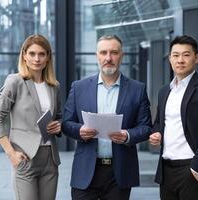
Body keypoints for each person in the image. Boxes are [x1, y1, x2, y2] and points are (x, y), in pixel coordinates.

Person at [62, 35, 152, 200]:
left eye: (114, 52)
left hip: (119, 172)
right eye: (103, 52)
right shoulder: (79, 87)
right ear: (97, 55)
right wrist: (80, 130)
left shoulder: (137, 89)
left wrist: (127, 136)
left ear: (122, 56)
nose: (108, 58)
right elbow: (66, 123)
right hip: (86, 170)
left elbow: (146, 127)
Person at [149, 35, 198, 200]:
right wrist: (157, 134)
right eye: (176, 55)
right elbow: (159, 123)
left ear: (196, 58)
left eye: (186, 55)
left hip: (191, 169)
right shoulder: (165, 91)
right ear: (170, 58)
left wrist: (196, 169)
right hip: (166, 169)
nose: (180, 60)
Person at [0, 34, 61, 200]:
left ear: (48, 57)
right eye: (32, 54)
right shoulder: (15, 81)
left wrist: (59, 125)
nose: (37, 59)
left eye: (42, 54)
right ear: (24, 56)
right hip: (25, 157)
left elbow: (59, 117)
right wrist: (11, 153)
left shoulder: (54, 86)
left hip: (50, 158)